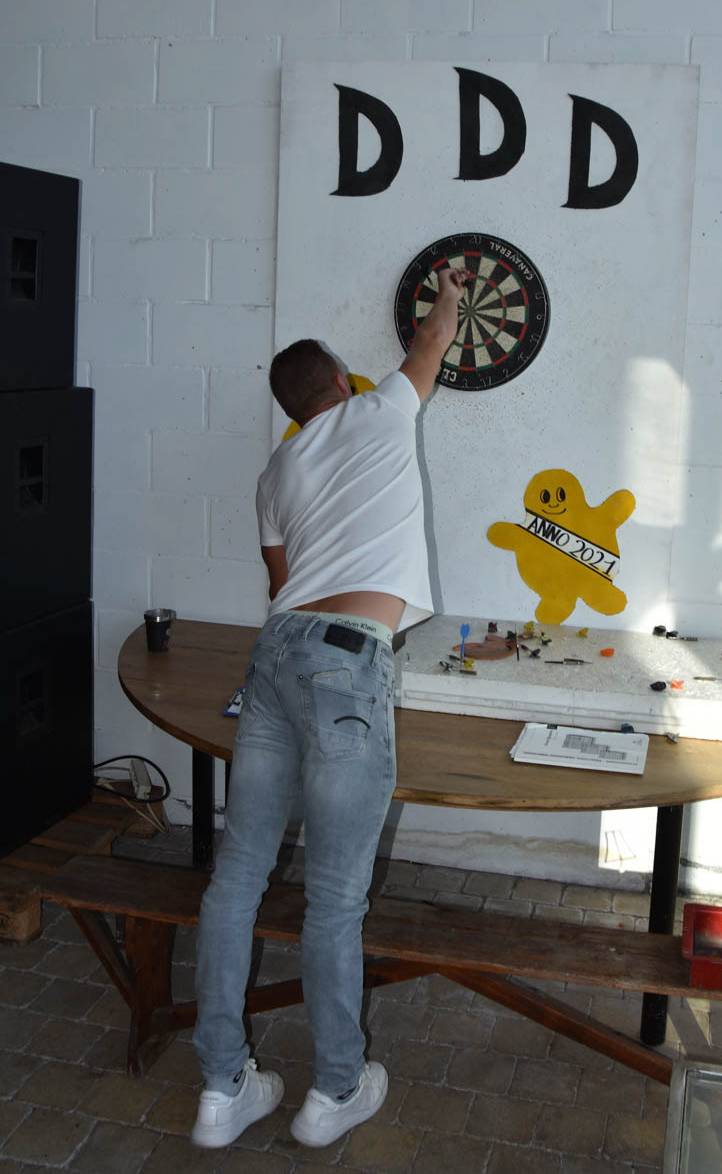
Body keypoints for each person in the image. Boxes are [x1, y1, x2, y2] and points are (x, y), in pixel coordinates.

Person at [190, 265, 471, 1150]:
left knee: (238, 874)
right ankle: (335, 1092)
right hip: (346, 665)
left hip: (274, 656)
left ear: (289, 409)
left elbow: (282, 585)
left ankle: (220, 1089)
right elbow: (433, 339)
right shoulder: (381, 411)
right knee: (336, 898)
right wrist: (452, 289)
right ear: (344, 384)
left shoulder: (276, 471)